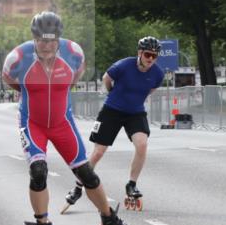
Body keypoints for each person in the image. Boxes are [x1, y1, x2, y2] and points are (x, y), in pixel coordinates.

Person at [2, 11, 140, 225]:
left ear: (59, 38)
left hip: (62, 122)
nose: (46, 46)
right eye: (41, 41)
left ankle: (109, 219)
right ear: (34, 38)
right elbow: (10, 81)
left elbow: (75, 77)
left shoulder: (74, 54)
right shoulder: (16, 58)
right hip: (32, 122)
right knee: (38, 171)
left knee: (87, 175)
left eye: (52, 40)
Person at [64, 36, 165, 213]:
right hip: (112, 110)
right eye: (148, 54)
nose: (150, 59)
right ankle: (78, 187)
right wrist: (113, 93)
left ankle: (131, 185)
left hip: (135, 112)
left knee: (142, 145)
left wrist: (134, 101)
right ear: (140, 53)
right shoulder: (124, 65)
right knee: (98, 152)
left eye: (154, 56)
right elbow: (106, 78)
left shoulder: (157, 74)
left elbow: (150, 90)